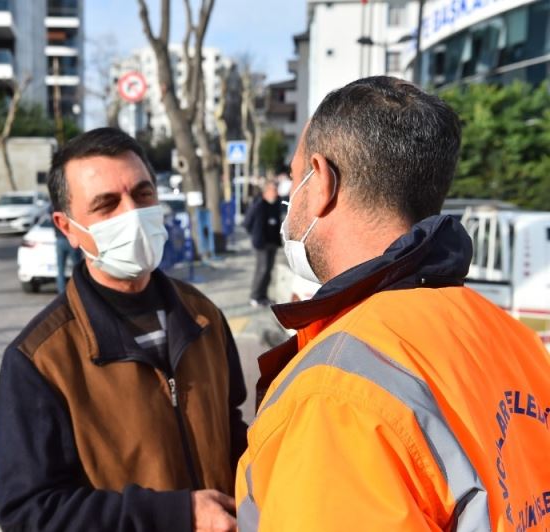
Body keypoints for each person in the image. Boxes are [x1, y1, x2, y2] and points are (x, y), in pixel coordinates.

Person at [235, 76, 550, 531]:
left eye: (293, 176)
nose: (290, 199)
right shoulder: (508, 335)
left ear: (321, 181)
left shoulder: (336, 397)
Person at [0, 127, 248, 532]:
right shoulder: (39, 361)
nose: (132, 213)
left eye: (143, 194)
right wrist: (177, 515)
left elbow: (231, 430)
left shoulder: (204, 316)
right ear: (67, 228)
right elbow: (31, 514)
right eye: (107, 204)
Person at [242, 181, 283, 307]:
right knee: (262, 270)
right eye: (273, 191)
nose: (275, 194)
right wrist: (256, 236)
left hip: (273, 242)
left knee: (269, 270)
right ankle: (255, 296)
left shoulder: (276, 205)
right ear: (266, 193)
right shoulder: (259, 205)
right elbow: (247, 223)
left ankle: (263, 296)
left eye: (276, 191)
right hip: (262, 244)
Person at [52, 206, 82, 293]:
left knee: (60, 269)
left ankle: (62, 293)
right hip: (71, 239)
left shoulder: (53, 209)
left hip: (59, 240)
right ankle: (79, 291)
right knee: (78, 268)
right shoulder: (70, 208)